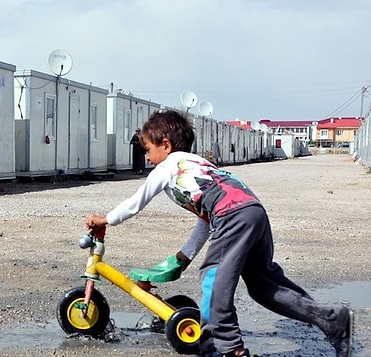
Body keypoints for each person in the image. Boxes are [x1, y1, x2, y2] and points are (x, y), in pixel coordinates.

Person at [85, 109, 353, 357]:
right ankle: (331, 319)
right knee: (263, 287)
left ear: (165, 146)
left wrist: (105, 219)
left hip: (233, 216)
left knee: (212, 276)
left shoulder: (167, 167)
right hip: (253, 212)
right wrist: (185, 254)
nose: (146, 157)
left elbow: (135, 203)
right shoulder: (200, 165)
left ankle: (228, 348)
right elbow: (207, 219)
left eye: (148, 150)